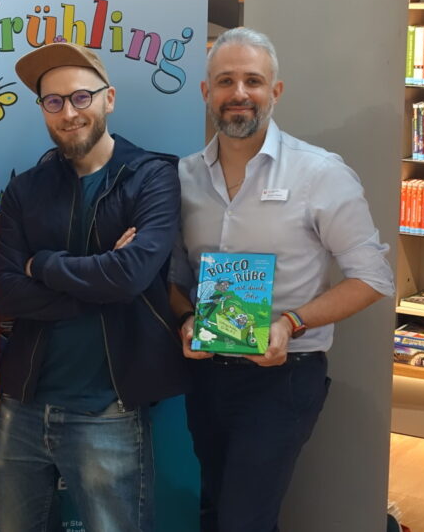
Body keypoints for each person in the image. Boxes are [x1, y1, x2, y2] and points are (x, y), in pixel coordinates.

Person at [169, 27, 395, 532]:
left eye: (253, 80)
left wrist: (290, 322)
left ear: (276, 91)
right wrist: (185, 318)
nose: (239, 93)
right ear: (208, 93)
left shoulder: (320, 173)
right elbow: (174, 277)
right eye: (225, 81)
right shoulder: (182, 178)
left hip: (284, 375)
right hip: (204, 375)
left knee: (245, 519)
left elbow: (373, 277)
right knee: (211, 508)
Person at [0, 42, 188, 532]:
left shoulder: (153, 177)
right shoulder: (26, 189)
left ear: (109, 99)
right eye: (53, 102)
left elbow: (131, 276)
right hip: (21, 407)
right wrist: (99, 275)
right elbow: (6, 292)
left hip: (109, 410)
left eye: (81, 97)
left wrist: (46, 264)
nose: (68, 113)